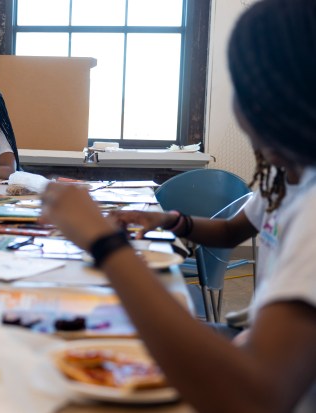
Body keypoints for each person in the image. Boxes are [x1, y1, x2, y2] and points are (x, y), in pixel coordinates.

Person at [40, 1, 316, 412]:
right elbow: (229, 232)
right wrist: (171, 220)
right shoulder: (287, 178)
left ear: (268, 101)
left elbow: (254, 397)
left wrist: (103, 243)